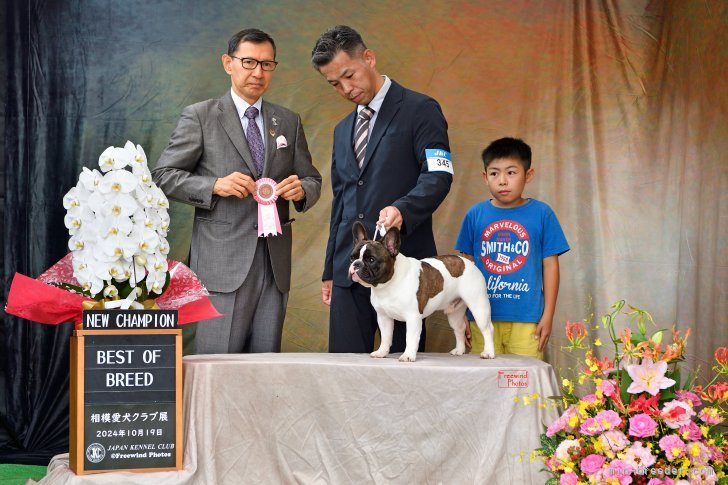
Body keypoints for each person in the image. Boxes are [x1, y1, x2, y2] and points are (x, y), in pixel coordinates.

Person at [152, 28, 321, 354]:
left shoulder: (288, 121)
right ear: (228, 63)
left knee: (265, 365)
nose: (258, 72)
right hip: (222, 264)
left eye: (267, 64)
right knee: (218, 364)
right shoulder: (200, 116)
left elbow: (311, 179)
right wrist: (213, 185)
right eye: (249, 62)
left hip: (274, 266)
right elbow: (163, 175)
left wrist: (302, 190)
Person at [311, 25, 453, 353]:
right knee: (343, 371)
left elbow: (438, 176)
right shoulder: (341, 130)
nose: (346, 89)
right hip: (349, 274)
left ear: (369, 58)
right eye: (334, 84)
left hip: (403, 271)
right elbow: (341, 203)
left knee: (403, 372)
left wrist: (403, 209)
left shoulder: (421, 109)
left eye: (349, 75)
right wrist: (331, 269)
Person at [455, 137, 569, 360]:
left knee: (523, 379)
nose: (502, 181)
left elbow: (550, 267)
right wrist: (461, 314)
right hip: (481, 317)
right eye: (494, 173)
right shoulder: (475, 215)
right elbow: (464, 269)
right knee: (483, 377)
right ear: (485, 177)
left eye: (511, 172)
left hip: (527, 319)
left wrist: (548, 315)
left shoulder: (542, 214)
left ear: (528, 175)